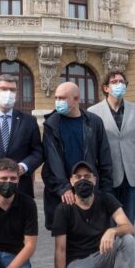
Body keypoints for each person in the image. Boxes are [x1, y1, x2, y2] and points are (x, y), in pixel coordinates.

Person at [52, 162, 135, 268]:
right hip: (78, 262)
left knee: (128, 240)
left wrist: (113, 230)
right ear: (71, 181)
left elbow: (129, 227)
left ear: (95, 180)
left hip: (103, 254)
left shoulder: (105, 198)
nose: (83, 180)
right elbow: (60, 250)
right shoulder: (63, 209)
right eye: (78, 177)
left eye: (87, 176)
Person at [88, 70, 135, 268]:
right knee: (108, 229)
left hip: (131, 178)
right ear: (105, 87)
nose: (118, 84)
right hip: (107, 180)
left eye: (122, 81)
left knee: (127, 229)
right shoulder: (94, 112)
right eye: (114, 82)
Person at [42, 81, 113, 231]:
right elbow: (52, 161)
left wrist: (105, 193)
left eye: (62, 98)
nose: (58, 102)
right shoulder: (51, 124)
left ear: (76, 99)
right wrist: (64, 188)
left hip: (89, 191)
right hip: (63, 194)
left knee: (91, 237)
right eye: (56, 98)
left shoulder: (94, 122)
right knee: (64, 240)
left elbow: (105, 158)